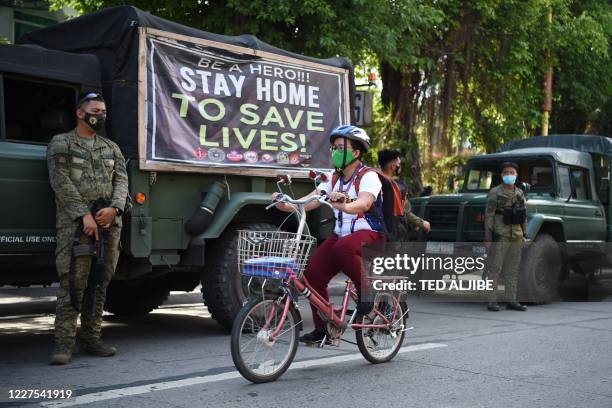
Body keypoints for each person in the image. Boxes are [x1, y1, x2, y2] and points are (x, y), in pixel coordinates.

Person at [272, 125, 384, 345]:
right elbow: (309, 201)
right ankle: (324, 328)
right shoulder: (332, 179)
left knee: (342, 248)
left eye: (340, 147)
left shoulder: (369, 176)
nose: (334, 152)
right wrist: (283, 202)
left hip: (369, 235)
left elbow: (364, 202)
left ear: (356, 152)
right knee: (312, 275)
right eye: (333, 147)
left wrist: (344, 202)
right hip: (341, 237)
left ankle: (366, 291)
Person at [47, 92, 129, 364]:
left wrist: (114, 209)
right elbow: (61, 182)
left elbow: (122, 181)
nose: (101, 115)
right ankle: (63, 344)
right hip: (76, 227)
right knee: (73, 283)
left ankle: (92, 339)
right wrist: (84, 215)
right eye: (96, 110)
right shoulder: (62, 143)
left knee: (99, 283)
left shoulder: (111, 147)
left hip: (108, 226)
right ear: (80, 114)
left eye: (104, 111)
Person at [484, 161, 528, 312]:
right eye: (506, 173)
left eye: (512, 173)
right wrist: (488, 238)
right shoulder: (495, 192)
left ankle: (511, 300)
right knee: (495, 268)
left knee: (513, 269)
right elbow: (489, 215)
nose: (509, 175)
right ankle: (492, 301)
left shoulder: (520, 193)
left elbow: (523, 216)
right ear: (502, 175)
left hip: (516, 234)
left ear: (516, 175)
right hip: (500, 234)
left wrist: (525, 235)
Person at [378, 149, 431, 233]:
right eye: (398, 164)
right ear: (392, 166)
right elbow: (405, 212)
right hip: (392, 233)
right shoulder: (396, 187)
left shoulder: (374, 180)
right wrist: (422, 223)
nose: (399, 167)